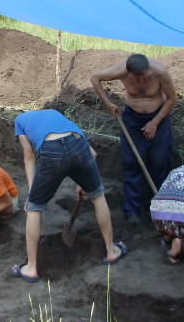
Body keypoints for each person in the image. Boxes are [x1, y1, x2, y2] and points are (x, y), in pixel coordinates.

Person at [11, 109, 127, 283]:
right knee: (97, 195)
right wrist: (84, 183)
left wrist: (32, 193)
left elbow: (29, 156)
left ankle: (31, 268)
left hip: (51, 150)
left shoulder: (20, 120)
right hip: (77, 144)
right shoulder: (54, 113)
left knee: (34, 208)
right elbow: (92, 154)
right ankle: (112, 251)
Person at [90, 53, 178, 224]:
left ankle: (160, 207)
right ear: (129, 73)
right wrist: (108, 104)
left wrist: (154, 122)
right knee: (132, 163)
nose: (143, 79)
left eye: (145, 75)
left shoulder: (159, 71)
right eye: (139, 77)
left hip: (158, 118)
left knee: (159, 162)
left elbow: (172, 99)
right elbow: (95, 78)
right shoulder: (121, 71)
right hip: (132, 120)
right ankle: (132, 210)